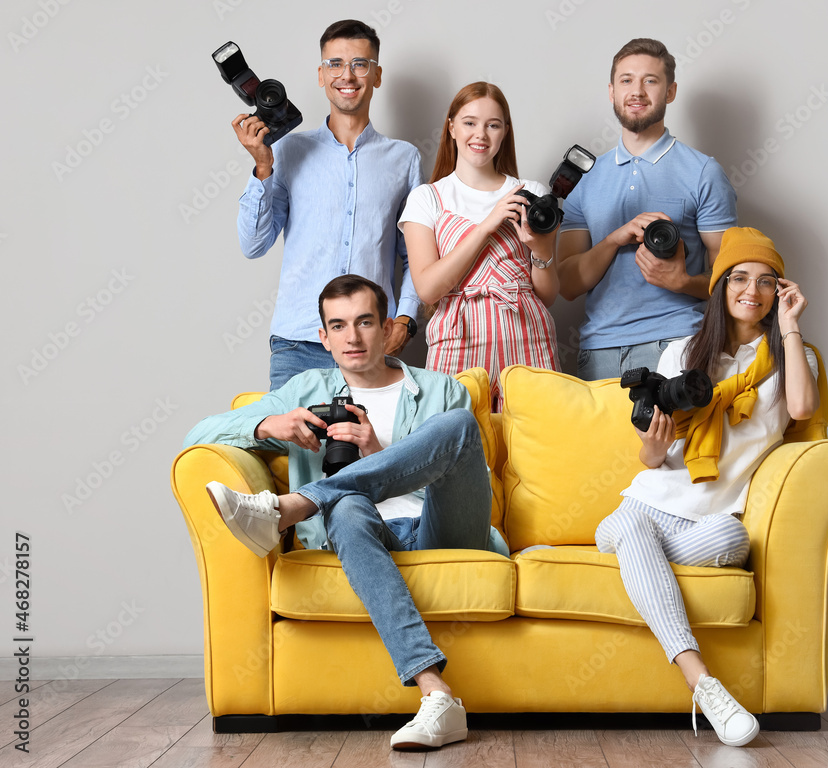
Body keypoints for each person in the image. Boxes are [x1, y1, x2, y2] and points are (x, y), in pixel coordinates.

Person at [184, 274, 506, 751]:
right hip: (358, 532)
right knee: (349, 505)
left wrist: (377, 452)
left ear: (388, 328)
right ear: (324, 338)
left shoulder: (440, 389)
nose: (352, 337)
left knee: (456, 425)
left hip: (440, 527)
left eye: (364, 322)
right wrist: (271, 422)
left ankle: (295, 506)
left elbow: (473, 483)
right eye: (338, 326)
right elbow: (199, 434)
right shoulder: (307, 387)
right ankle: (436, 694)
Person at [594, 228, 819, 747]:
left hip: (710, 523)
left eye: (767, 282)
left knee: (731, 540)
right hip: (646, 507)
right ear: (720, 287)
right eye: (739, 278)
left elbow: (803, 410)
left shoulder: (792, 360)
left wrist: (789, 327)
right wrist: (653, 443)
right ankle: (704, 683)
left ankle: (639, 564)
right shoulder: (683, 355)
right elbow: (654, 459)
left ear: (779, 292)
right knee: (630, 523)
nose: (752, 291)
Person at [233, 20, 423, 390]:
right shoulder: (287, 150)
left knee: (370, 448)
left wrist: (405, 320)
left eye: (360, 64)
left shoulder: (405, 159)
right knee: (296, 449)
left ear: (377, 75)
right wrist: (261, 166)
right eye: (335, 64)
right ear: (321, 75)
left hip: (371, 345)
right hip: (299, 343)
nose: (346, 75)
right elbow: (253, 246)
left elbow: (414, 255)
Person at [557, 38, 738, 381]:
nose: (636, 91)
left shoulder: (703, 172)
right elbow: (566, 284)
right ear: (611, 91)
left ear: (670, 92)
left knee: (676, 438)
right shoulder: (586, 177)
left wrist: (683, 282)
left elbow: (732, 279)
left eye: (650, 81)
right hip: (600, 350)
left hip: (678, 343)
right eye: (626, 80)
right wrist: (613, 239)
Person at [399, 82, 560, 410]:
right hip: (458, 337)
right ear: (452, 128)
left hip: (527, 333)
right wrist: (488, 223)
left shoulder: (530, 191)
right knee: (454, 444)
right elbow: (428, 289)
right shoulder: (427, 198)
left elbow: (547, 295)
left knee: (538, 447)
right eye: (470, 122)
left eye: (493, 125)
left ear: (505, 132)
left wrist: (541, 251)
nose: (481, 135)